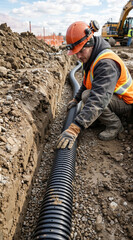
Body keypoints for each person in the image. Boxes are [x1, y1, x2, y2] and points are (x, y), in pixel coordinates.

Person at [57, 21, 133, 149]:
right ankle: (98, 118)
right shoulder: (92, 57)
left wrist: (75, 128)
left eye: (81, 51)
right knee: (86, 95)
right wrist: (76, 98)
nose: (78, 56)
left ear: (90, 43)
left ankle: (115, 125)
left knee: (88, 97)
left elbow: (99, 99)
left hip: (126, 101)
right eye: (75, 53)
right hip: (113, 96)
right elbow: (87, 82)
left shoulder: (106, 64)